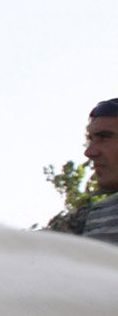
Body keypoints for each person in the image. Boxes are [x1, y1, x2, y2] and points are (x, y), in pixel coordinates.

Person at [48, 99, 118, 244]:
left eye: (104, 137)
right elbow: (25, 248)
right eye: (90, 139)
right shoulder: (88, 218)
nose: (90, 152)